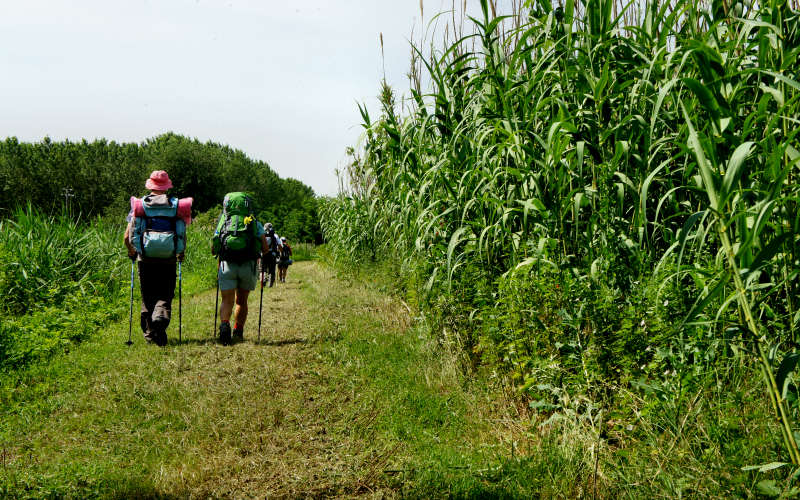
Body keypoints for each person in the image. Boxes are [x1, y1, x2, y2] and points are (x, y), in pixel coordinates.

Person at [123, 170, 191, 346]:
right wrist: (180, 252)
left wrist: (132, 250)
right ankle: (160, 317)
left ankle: (150, 334)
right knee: (165, 293)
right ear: (167, 186)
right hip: (168, 259)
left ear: (150, 186)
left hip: (145, 259)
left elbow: (126, 237)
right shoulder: (175, 206)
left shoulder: (140, 206)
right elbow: (181, 233)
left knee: (147, 296)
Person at [212, 192, 269, 345]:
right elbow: (265, 248)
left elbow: (214, 246)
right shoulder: (253, 222)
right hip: (248, 265)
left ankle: (224, 326)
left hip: (227, 265)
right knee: (241, 301)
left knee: (226, 300)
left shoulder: (224, 221)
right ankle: (238, 330)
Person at [262, 223, 282, 287]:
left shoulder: (262, 235)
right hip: (272, 254)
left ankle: (263, 280)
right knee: (272, 269)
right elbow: (279, 246)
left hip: (263, 254)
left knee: (263, 269)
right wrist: (280, 252)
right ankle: (270, 283)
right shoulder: (275, 235)